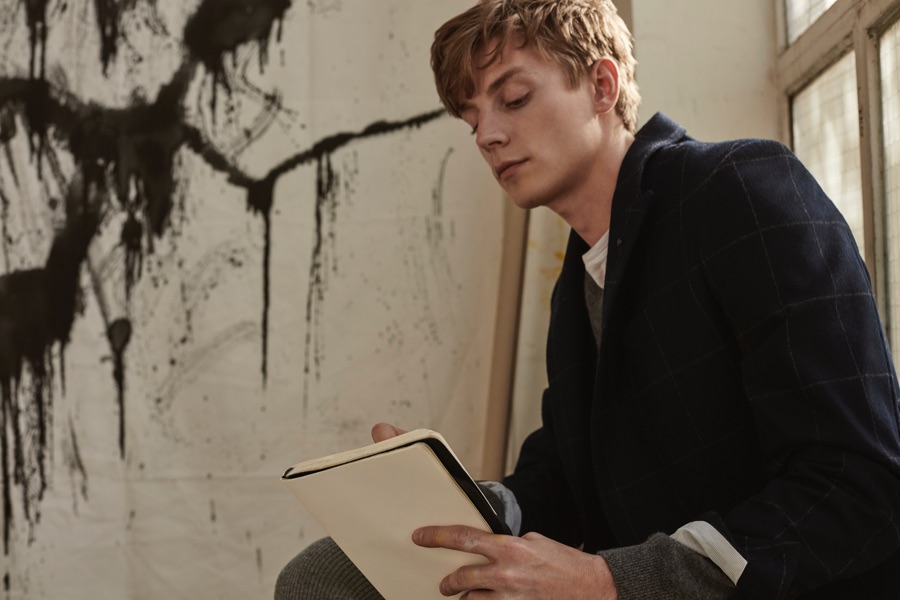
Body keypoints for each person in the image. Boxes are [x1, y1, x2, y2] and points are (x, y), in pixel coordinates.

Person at [275, 0, 900, 597]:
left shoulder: (739, 189)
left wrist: (608, 583)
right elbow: (565, 482)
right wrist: (451, 502)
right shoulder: (577, 288)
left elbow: (860, 480)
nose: (486, 135)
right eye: (471, 119)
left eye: (513, 99)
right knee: (323, 574)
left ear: (602, 86)